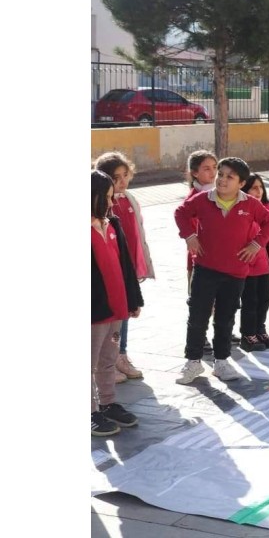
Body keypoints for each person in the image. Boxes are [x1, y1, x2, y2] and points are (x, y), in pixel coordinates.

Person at [175, 157, 269, 384]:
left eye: (229, 177)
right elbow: (180, 213)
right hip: (205, 270)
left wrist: (257, 244)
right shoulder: (203, 199)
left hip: (235, 273)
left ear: (241, 183)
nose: (221, 179)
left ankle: (221, 362)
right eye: (220, 174)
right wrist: (190, 236)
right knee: (198, 316)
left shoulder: (250, 204)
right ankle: (192, 362)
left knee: (225, 318)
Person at [93, 152, 155, 384]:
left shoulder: (129, 199)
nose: (121, 182)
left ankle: (120, 356)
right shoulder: (101, 205)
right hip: (109, 272)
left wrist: (140, 267)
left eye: (124, 175)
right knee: (107, 320)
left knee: (125, 315)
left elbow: (138, 235)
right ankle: (105, 363)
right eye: (114, 177)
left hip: (125, 271)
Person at [91, 170, 143, 436]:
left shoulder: (112, 224)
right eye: (106, 198)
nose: (111, 204)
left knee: (108, 359)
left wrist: (133, 299)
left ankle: (108, 403)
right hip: (94, 312)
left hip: (117, 308)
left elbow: (126, 267)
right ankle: (90, 412)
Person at [238, 174, 269, 351]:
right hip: (247, 263)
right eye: (253, 188)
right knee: (250, 301)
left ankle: (260, 330)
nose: (258, 191)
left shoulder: (267, 209)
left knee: (265, 297)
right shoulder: (242, 210)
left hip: (262, 262)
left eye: (261, 187)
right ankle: (248, 335)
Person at [183, 150, 218, 355]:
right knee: (200, 302)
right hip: (199, 258)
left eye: (215, 167)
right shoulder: (195, 197)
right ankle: (200, 336)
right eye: (206, 169)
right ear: (194, 173)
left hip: (219, 257)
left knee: (219, 300)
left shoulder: (220, 193)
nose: (212, 173)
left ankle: (221, 330)